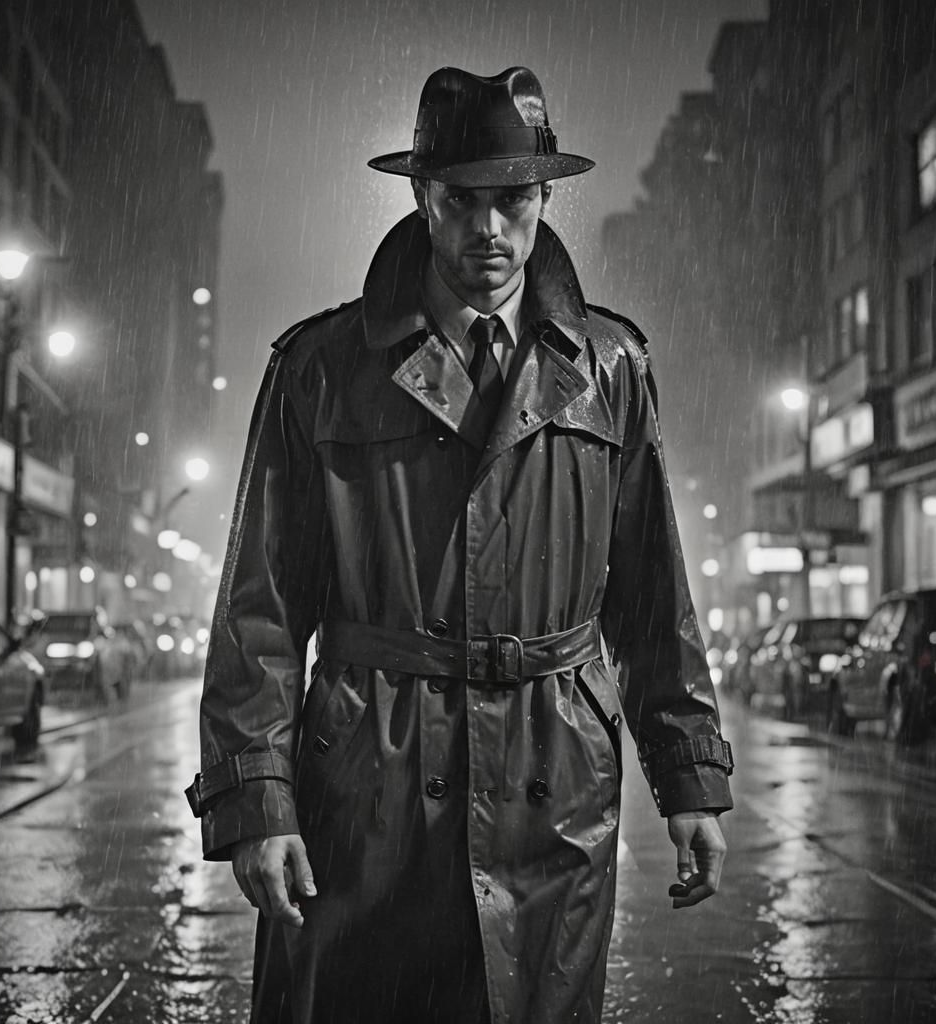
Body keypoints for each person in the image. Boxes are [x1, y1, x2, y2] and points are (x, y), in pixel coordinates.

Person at [186, 66, 734, 1024]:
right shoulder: (321, 366)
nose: (489, 228)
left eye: (511, 199)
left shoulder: (611, 367)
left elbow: (652, 593)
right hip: (368, 779)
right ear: (420, 196)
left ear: (544, 197)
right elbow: (261, 607)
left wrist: (689, 775)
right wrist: (256, 803)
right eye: (462, 199)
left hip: (553, 784)